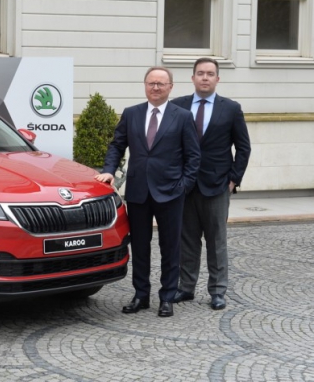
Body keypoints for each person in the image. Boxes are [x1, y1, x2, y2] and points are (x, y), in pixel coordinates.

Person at [95, 67, 200, 317]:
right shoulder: (132, 114)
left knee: (170, 247)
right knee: (140, 247)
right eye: (152, 83)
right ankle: (141, 295)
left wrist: (184, 186)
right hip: (139, 192)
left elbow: (193, 157)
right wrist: (109, 170)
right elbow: (117, 145)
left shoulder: (183, 116)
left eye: (161, 84)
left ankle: (167, 297)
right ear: (145, 85)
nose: (156, 87)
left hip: (171, 193)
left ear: (170, 87)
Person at [171, 58, 251, 310]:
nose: (205, 77)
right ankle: (186, 288)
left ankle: (217, 291)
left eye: (210, 74)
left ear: (217, 79)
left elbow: (243, 147)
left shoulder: (231, 108)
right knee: (187, 240)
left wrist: (234, 179)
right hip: (186, 186)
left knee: (217, 241)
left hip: (217, 185)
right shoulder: (177, 106)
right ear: (192, 77)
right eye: (200, 73)